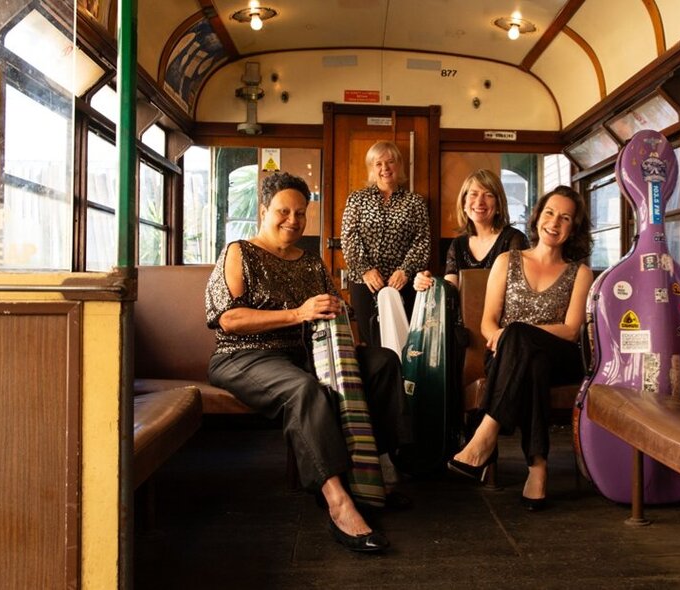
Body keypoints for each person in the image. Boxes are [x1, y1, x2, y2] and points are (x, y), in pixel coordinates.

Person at [206, 172, 411, 553]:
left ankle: (371, 476)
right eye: (283, 211)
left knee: (382, 362)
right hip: (243, 355)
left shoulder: (312, 262)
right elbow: (228, 319)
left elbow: (336, 309)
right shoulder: (239, 252)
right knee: (304, 390)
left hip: (305, 354)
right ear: (263, 211)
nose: (293, 220)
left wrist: (346, 331)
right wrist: (298, 313)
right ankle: (338, 502)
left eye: (300, 213)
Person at [446, 185, 594, 511]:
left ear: (573, 229)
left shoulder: (580, 273)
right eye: (549, 213)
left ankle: (487, 432)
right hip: (506, 355)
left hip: (561, 357)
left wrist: (519, 334)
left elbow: (571, 331)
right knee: (531, 362)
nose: (554, 222)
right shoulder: (507, 261)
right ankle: (538, 470)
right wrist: (511, 339)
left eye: (565, 218)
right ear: (538, 217)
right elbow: (487, 323)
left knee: (522, 338)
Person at [341, 140, 431, 345]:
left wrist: (405, 271)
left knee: (404, 341)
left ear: (399, 165)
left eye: (390, 162)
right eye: (378, 163)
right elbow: (349, 237)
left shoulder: (415, 202)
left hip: (403, 283)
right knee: (371, 341)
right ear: (372, 168)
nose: (385, 168)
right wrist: (365, 270)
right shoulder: (357, 199)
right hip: (365, 283)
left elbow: (422, 241)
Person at [413, 168, 528, 292]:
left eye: (488, 195)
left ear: (499, 205)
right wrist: (429, 282)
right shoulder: (458, 244)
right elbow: (450, 291)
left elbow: (518, 292)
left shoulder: (514, 239)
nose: (479, 202)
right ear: (464, 203)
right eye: (473, 194)